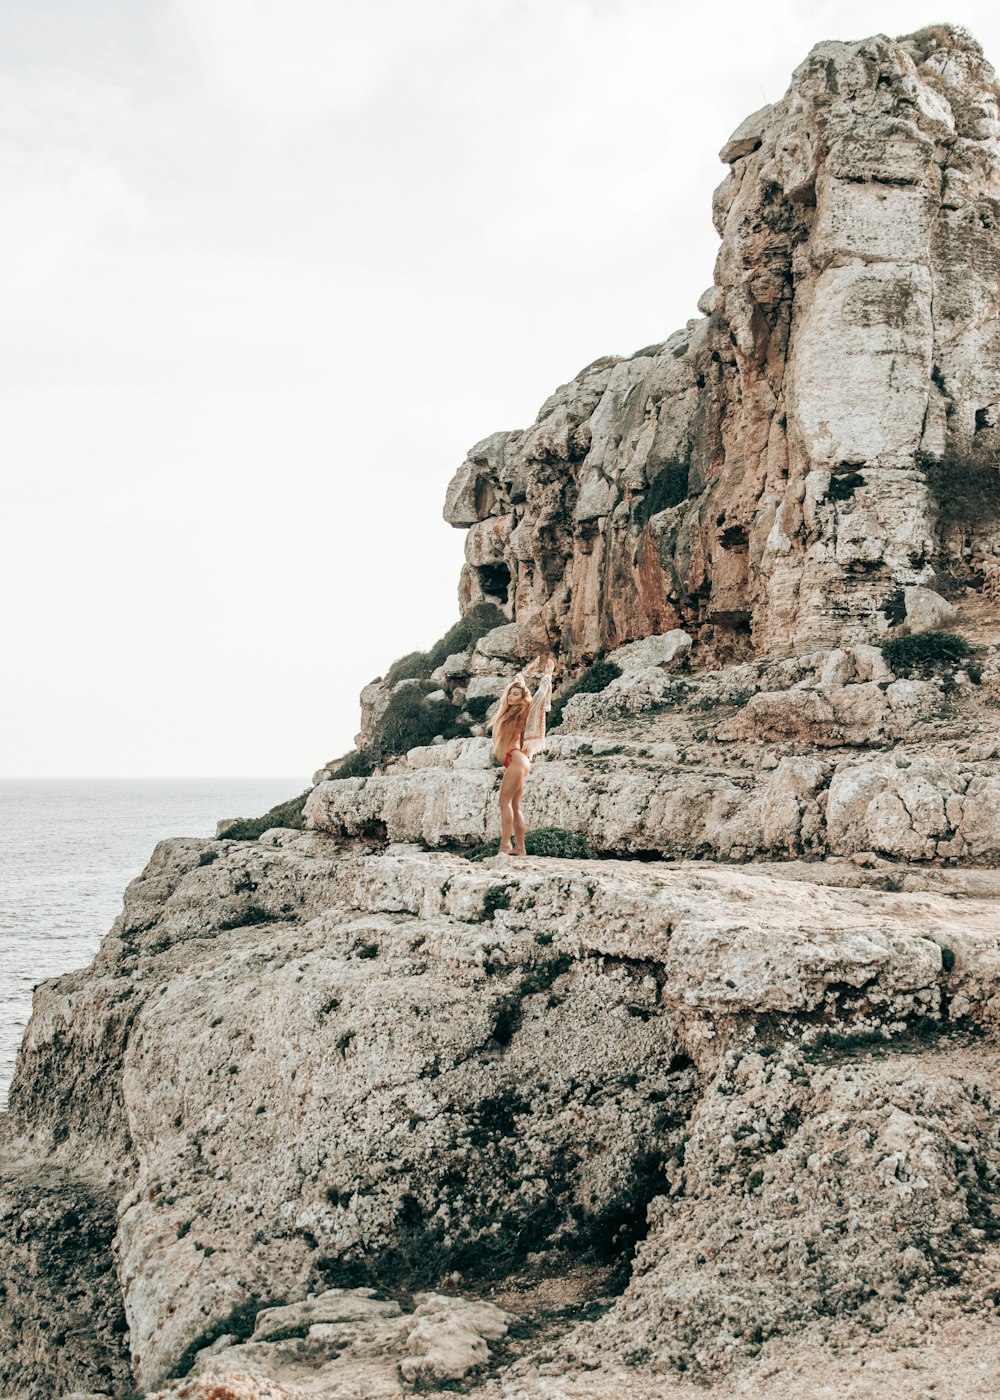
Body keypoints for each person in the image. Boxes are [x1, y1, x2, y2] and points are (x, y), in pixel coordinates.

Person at [490, 653, 555, 857]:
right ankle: (520, 847)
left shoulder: (524, 709)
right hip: (515, 762)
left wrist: (548, 675)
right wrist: (526, 672)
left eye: (516, 694)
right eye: (510, 693)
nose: (511, 696)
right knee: (515, 806)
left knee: (504, 803)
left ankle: (505, 846)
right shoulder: (507, 709)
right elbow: (517, 681)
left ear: (522, 697)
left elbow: (538, 697)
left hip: (516, 759)